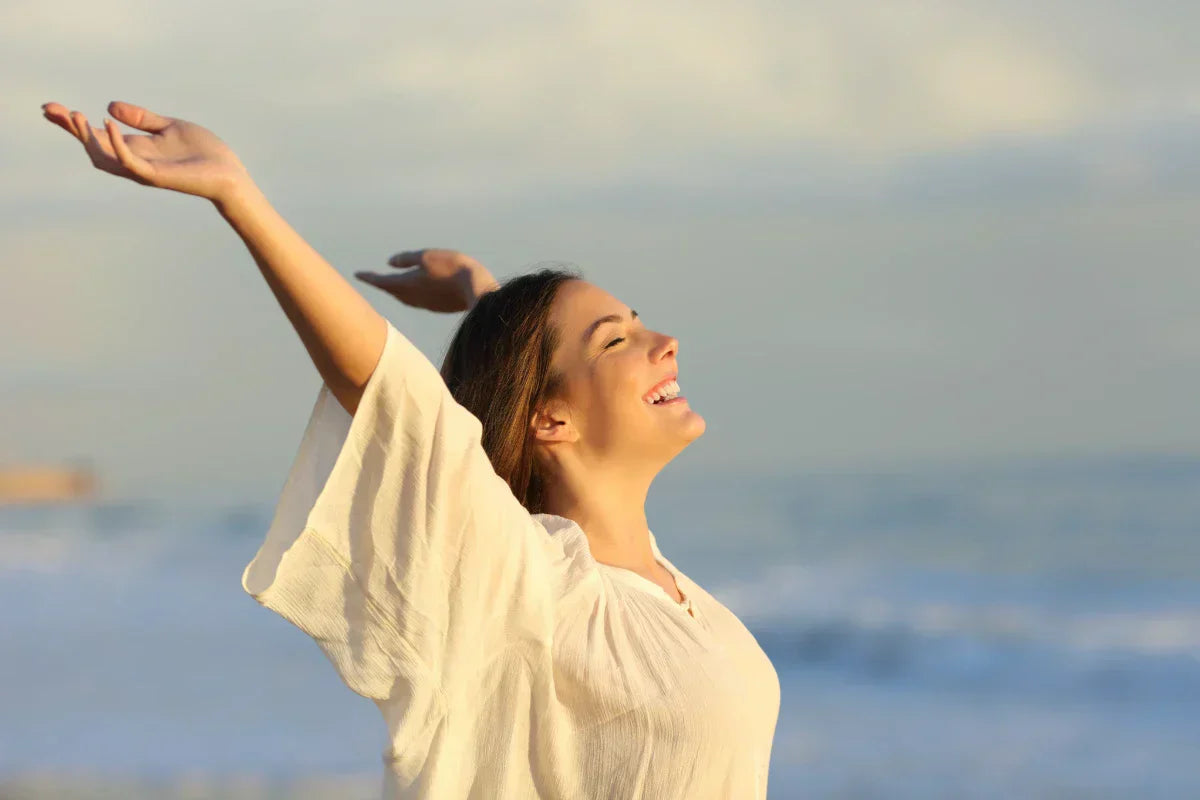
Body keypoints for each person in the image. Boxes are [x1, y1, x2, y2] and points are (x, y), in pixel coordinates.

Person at [41, 100, 781, 799]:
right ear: (551, 420)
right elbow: (388, 390)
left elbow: (507, 389)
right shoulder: (530, 585)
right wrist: (240, 199)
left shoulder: (662, 588)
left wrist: (482, 298)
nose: (665, 343)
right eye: (618, 340)